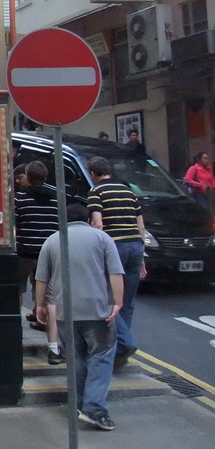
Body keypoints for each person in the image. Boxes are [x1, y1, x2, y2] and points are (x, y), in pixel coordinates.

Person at [35, 203, 124, 432]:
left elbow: (41, 279)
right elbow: (115, 273)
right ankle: (94, 409)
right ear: (86, 218)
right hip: (97, 310)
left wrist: (40, 305)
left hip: (65, 312)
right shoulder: (102, 239)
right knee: (101, 356)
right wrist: (117, 302)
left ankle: (80, 403)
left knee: (76, 359)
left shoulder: (52, 240)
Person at [87, 156, 146, 370]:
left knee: (106, 297)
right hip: (135, 247)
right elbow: (141, 225)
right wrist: (142, 256)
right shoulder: (129, 191)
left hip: (115, 248)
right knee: (127, 302)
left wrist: (95, 253)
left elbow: (98, 224)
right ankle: (121, 353)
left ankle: (125, 342)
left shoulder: (96, 192)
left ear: (93, 174)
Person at [14, 161, 61, 362]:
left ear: (28, 177)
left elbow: (14, 226)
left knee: (17, 291)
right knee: (49, 300)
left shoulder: (20, 199)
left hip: (25, 253)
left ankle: (15, 334)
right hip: (48, 254)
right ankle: (54, 349)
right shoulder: (57, 199)